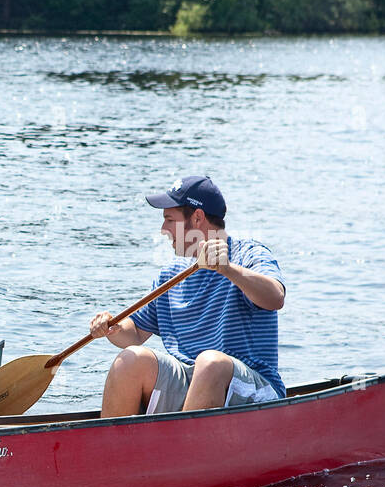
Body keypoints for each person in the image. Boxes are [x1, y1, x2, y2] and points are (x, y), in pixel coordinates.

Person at [91, 175, 286, 417]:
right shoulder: (170, 275)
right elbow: (136, 334)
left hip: (256, 390)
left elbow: (275, 297)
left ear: (197, 217)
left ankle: (181, 448)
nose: (163, 230)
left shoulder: (248, 254)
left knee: (211, 363)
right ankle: (114, 452)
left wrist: (227, 269)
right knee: (131, 360)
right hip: (193, 381)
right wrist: (113, 327)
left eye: (169, 220)